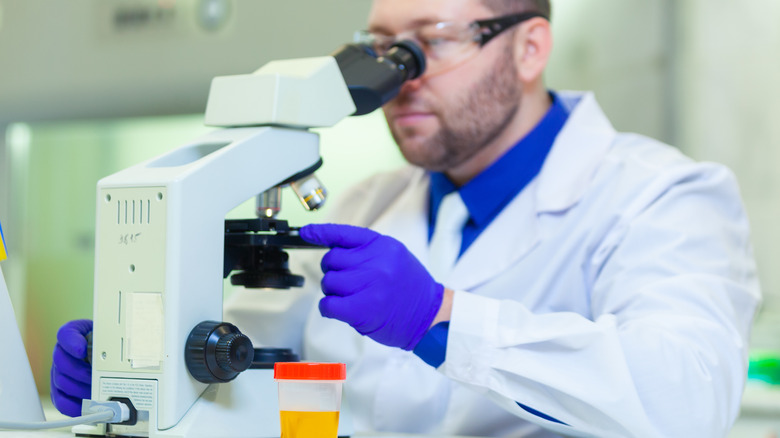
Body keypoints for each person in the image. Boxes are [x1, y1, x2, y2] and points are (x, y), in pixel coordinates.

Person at [50, 0, 761, 436]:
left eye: (430, 42)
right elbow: (242, 365)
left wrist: (442, 317)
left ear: (529, 48)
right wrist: (140, 366)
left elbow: (689, 400)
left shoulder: (662, 195)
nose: (398, 76)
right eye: (383, 46)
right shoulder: (366, 204)